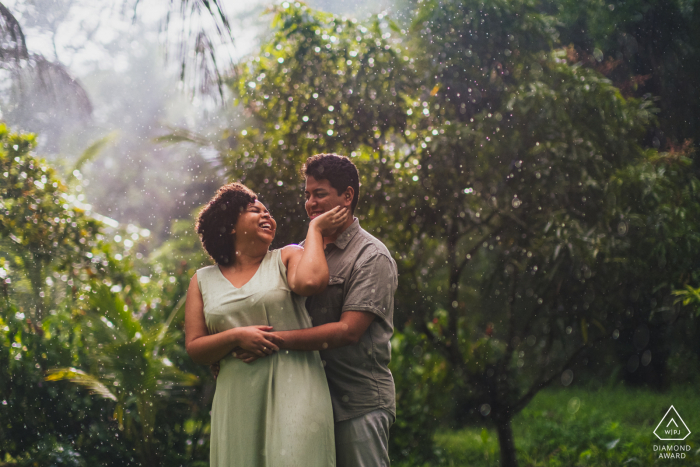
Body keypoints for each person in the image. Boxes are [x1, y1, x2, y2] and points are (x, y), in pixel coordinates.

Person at [232, 154, 398, 467]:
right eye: (307, 195)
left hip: (356, 403)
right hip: (305, 401)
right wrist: (230, 350)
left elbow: (348, 331)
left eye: (319, 194)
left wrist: (276, 340)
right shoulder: (305, 252)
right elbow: (265, 309)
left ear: (347, 196)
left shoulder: (372, 256)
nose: (310, 203)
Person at [184, 182, 350, 467]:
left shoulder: (286, 257)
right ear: (231, 225)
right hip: (237, 397)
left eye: (268, 212)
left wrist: (315, 230)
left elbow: (311, 282)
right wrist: (235, 336)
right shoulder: (202, 280)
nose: (267, 216)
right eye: (254, 210)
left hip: (297, 388)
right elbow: (196, 348)